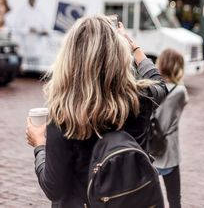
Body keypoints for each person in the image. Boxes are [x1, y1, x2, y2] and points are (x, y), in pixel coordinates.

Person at [26, 15, 167, 208]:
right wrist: (134, 46)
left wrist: (40, 145)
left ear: (69, 59)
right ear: (119, 54)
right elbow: (160, 84)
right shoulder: (140, 98)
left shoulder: (63, 116)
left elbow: (54, 188)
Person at [153, 48, 189, 208]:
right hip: (169, 152)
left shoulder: (150, 88)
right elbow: (184, 103)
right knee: (174, 200)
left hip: (149, 150)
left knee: (149, 200)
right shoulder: (180, 91)